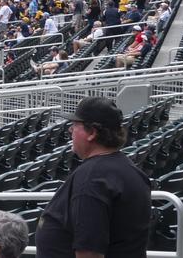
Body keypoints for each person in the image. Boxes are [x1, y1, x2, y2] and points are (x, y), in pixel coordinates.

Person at [35, 96, 151, 258]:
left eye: (75, 125)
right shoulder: (130, 169)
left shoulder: (92, 178)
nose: (70, 130)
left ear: (92, 133)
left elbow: (89, 252)